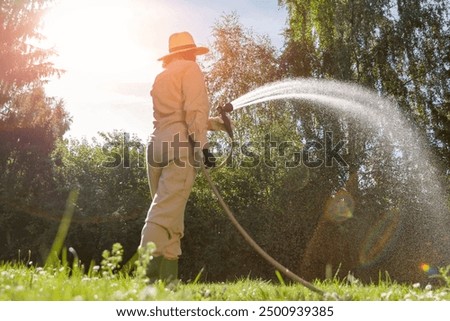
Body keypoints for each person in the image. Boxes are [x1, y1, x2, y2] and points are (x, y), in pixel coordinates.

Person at [139, 31, 217, 282]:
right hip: (180, 147)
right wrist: (203, 146)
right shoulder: (190, 70)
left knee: (171, 215)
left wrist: (219, 125)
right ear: (190, 53)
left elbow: (177, 116)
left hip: (156, 146)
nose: (196, 59)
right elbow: (195, 109)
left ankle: (168, 284)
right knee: (163, 214)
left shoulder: (162, 76)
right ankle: (145, 281)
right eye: (194, 54)